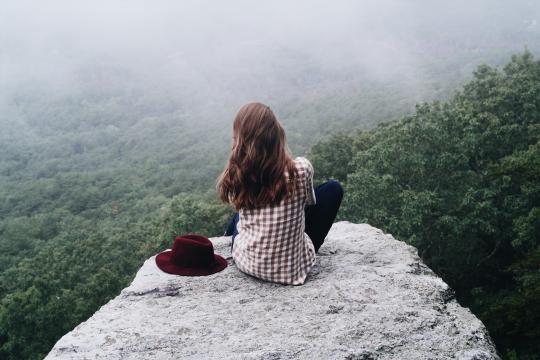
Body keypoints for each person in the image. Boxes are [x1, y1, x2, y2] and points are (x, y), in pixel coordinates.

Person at [216, 102, 343, 285]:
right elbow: (309, 203)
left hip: (248, 263)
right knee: (333, 189)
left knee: (239, 216)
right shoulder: (301, 169)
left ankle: (227, 237)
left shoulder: (238, 175)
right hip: (292, 271)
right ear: (277, 134)